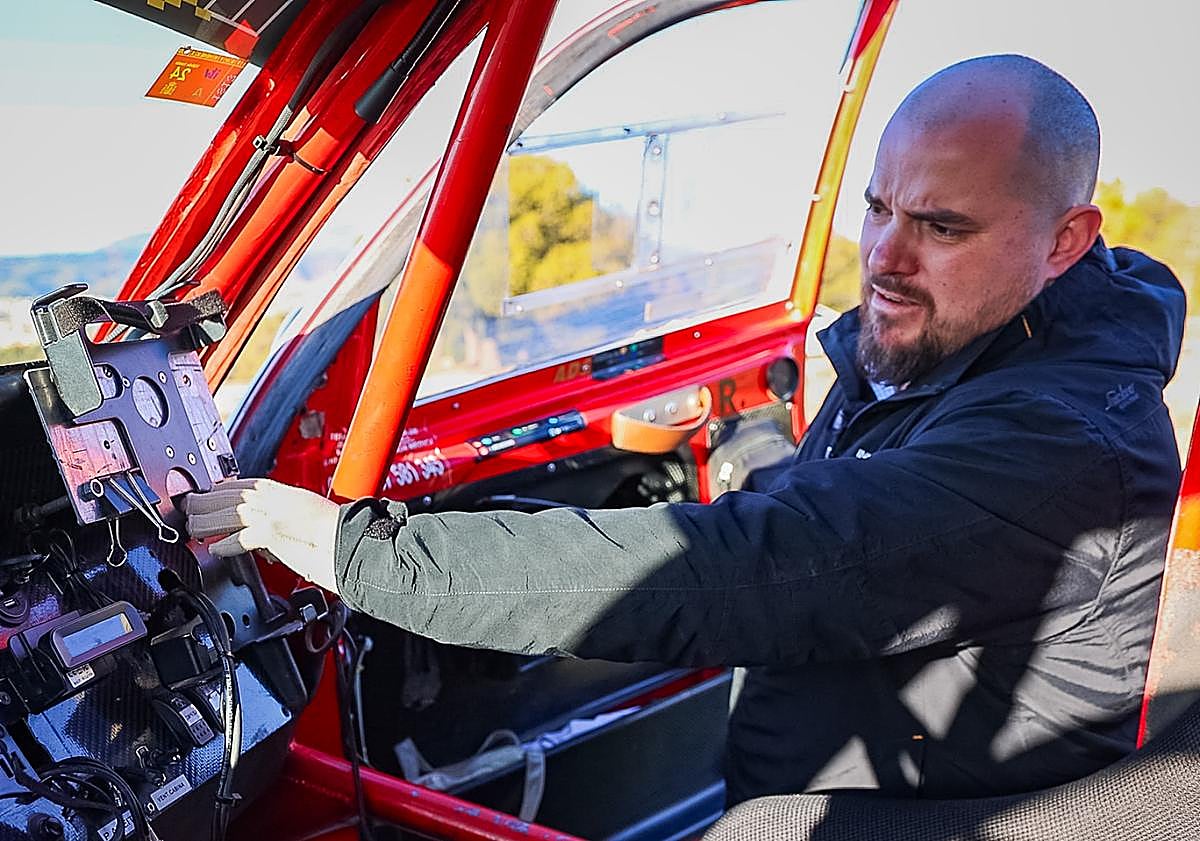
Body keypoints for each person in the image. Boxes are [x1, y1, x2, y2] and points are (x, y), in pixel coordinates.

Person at [184, 54, 1186, 804]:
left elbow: (780, 562)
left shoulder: (1064, 446)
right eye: (879, 208)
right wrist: (751, 443)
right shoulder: (962, 340)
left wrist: (361, 552)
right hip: (822, 767)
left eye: (941, 226)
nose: (884, 255)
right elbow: (842, 502)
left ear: (1066, 240)